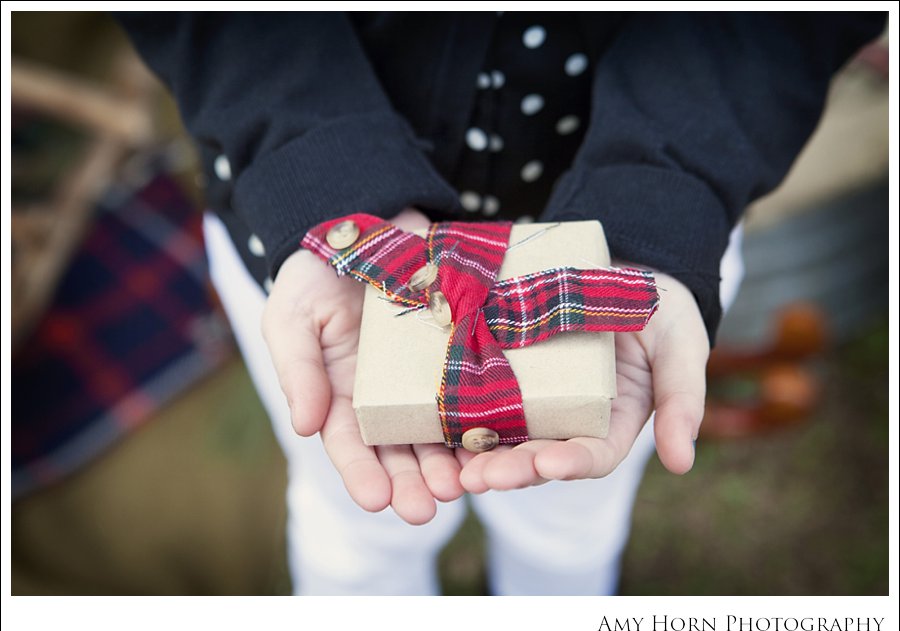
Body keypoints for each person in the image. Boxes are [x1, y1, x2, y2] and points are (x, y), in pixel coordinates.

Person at [116, 11, 884, 594]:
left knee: (570, 530)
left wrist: (667, 194)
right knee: (357, 531)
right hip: (329, 248)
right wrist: (316, 165)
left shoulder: (632, 276)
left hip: (634, 263)